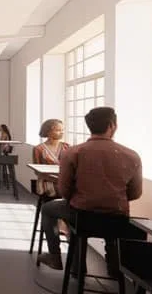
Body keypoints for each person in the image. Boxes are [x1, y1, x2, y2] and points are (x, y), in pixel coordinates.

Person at [36, 107, 143, 272]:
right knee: (111, 221)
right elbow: (135, 193)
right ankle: (114, 267)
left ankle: (56, 257)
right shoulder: (132, 155)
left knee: (48, 209)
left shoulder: (73, 152)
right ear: (112, 125)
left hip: (82, 215)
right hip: (117, 217)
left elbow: (65, 191)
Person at [32, 119, 69, 198]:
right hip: (46, 180)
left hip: (64, 179)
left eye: (62, 130)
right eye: (58, 130)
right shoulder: (38, 149)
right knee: (59, 189)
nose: (62, 132)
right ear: (48, 132)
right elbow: (37, 171)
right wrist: (56, 179)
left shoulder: (67, 147)